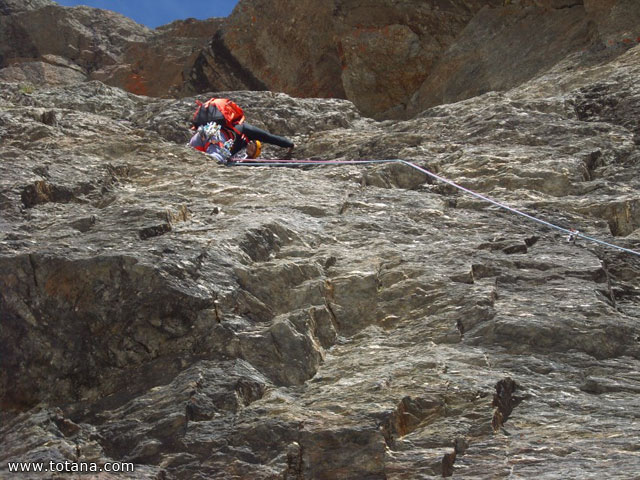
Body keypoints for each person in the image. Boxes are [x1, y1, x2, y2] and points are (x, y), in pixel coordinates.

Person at [189, 98, 294, 163]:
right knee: (215, 159)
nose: (252, 147)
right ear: (252, 140)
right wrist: (289, 144)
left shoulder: (239, 151)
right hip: (216, 136)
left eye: (254, 151)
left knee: (192, 155)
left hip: (203, 134)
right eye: (255, 145)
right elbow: (268, 137)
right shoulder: (244, 129)